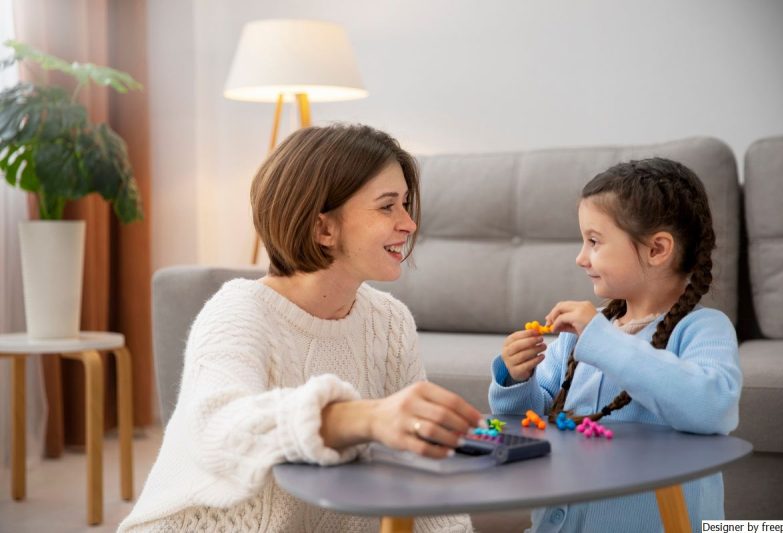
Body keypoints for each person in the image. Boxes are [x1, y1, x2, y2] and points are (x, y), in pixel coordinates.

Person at [119, 124, 482, 532]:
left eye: (406, 204)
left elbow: (421, 467)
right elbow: (216, 429)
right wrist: (364, 418)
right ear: (323, 228)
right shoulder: (238, 310)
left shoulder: (390, 322)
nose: (409, 224)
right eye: (387, 206)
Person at [489, 157, 742, 533]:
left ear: (657, 249)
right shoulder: (580, 335)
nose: (580, 257)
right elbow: (528, 422)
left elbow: (712, 408)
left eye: (594, 241)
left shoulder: (702, 329)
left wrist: (601, 339)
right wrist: (514, 379)